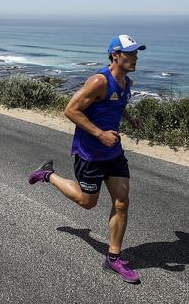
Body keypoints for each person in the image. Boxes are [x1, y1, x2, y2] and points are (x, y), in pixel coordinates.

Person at [28, 34, 146, 284]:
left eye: (137, 53)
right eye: (130, 53)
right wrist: (100, 134)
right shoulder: (98, 81)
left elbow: (117, 104)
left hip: (113, 153)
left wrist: (130, 120)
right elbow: (71, 110)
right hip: (90, 153)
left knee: (122, 202)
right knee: (87, 202)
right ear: (115, 55)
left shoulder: (126, 82)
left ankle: (113, 258)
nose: (135, 57)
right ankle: (48, 175)